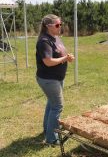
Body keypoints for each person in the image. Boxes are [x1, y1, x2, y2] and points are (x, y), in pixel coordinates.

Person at [36, 14, 75, 145]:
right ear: (48, 27)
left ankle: (47, 130)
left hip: (56, 78)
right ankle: (51, 139)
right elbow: (48, 61)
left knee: (52, 103)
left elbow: (59, 53)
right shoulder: (44, 41)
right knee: (57, 106)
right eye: (57, 25)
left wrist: (66, 56)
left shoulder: (56, 37)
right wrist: (65, 59)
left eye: (61, 24)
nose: (60, 27)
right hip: (48, 79)